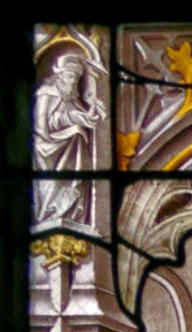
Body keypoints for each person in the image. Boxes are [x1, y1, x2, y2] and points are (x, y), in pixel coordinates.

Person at [33, 49, 104, 229]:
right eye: (70, 76)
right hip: (48, 144)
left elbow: (85, 119)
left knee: (78, 134)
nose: (73, 81)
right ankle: (52, 209)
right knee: (76, 133)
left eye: (76, 78)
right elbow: (42, 125)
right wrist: (70, 119)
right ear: (60, 76)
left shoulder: (73, 97)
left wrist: (92, 109)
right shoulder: (46, 93)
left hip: (69, 143)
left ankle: (73, 208)